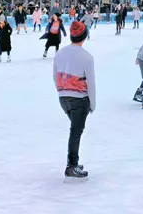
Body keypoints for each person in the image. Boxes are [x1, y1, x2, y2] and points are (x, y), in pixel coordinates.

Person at [53, 20, 95, 181]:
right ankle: (72, 165)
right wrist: (93, 103)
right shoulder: (87, 58)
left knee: (75, 130)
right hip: (80, 99)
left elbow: (55, 76)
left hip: (64, 98)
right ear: (84, 36)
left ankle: (73, 163)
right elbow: (91, 83)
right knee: (76, 132)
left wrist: (62, 91)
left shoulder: (60, 53)